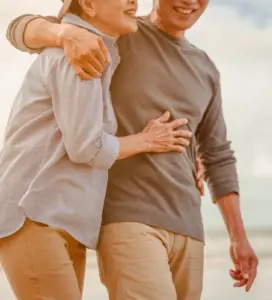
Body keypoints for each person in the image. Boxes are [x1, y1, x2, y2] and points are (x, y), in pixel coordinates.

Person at [6, 0, 259, 299]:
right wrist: (64, 34)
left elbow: (217, 155)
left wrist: (238, 237)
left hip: (188, 224)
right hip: (125, 217)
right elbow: (19, 28)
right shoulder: (116, 32)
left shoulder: (205, 69)